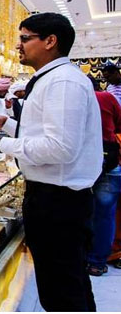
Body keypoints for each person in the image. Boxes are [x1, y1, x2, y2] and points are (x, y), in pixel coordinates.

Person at [0, 12, 101, 311]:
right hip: (54, 200)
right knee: (65, 284)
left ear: (50, 41)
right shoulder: (54, 80)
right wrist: (6, 124)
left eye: (25, 39)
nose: (18, 45)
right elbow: (45, 135)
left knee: (63, 292)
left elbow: (60, 148)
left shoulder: (62, 82)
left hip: (59, 203)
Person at [86, 75, 121, 276]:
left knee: (82, 210)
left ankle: (82, 255)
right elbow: (119, 125)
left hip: (83, 162)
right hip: (109, 162)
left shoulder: (77, 99)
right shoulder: (108, 98)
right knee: (105, 214)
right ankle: (97, 262)